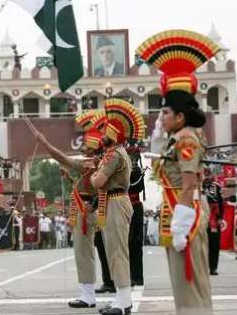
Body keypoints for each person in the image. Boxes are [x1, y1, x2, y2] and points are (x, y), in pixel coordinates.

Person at [136, 29, 219, 315]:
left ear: (180, 115)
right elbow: (159, 163)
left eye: (166, 113)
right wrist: (159, 131)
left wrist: (182, 224)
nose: (161, 117)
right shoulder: (179, 136)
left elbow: (187, 184)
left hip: (186, 209)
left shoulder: (186, 139)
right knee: (183, 287)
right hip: (178, 208)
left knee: (191, 285)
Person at [32, 110, 105, 309]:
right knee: (84, 250)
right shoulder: (97, 164)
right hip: (86, 208)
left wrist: (44, 143)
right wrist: (71, 179)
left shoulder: (91, 164)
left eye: (86, 146)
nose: (83, 149)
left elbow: (61, 157)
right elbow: (87, 186)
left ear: (93, 148)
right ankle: (87, 291)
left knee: (83, 251)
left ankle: (88, 295)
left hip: (85, 211)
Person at [91, 99, 144, 315]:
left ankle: (123, 303)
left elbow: (97, 181)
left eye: (104, 129)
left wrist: (95, 174)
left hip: (115, 201)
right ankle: (120, 299)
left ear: (114, 132)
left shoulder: (114, 155)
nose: (101, 133)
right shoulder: (114, 153)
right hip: (111, 201)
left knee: (118, 252)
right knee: (113, 252)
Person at [127, 144, 145, 286]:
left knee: (136, 243)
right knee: (126, 242)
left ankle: (137, 276)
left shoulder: (137, 171)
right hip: (125, 207)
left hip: (135, 207)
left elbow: (137, 187)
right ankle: (128, 275)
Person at [203, 169, 223, 276]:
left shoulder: (216, 187)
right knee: (202, 245)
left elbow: (220, 203)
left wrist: (220, 218)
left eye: (208, 174)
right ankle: (203, 268)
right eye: (204, 174)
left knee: (214, 244)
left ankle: (213, 267)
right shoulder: (197, 186)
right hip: (201, 219)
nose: (206, 177)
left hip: (213, 218)